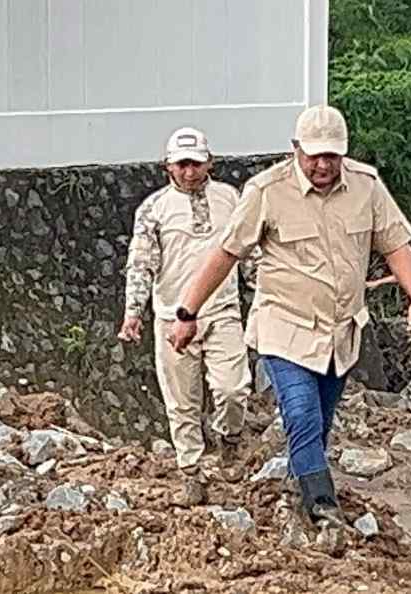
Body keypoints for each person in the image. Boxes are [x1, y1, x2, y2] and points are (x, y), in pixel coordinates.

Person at [168, 105, 411, 526]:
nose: (323, 164)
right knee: (301, 411)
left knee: (320, 420)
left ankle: (298, 489)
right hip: (283, 325)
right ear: (296, 149)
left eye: (332, 155)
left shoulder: (366, 186)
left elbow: (396, 245)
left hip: (340, 330)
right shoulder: (266, 191)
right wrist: (187, 311)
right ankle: (322, 505)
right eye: (314, 155)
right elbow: (226, 253)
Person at [119, 127, 258, 506]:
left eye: (196, 164)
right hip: (171, 318)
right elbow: (141, 264)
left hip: (223, 310)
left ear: (209, 162)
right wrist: (133, 312)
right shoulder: (153, 210)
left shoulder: (231, 198)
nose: (190, 172)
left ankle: (229, 438)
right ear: (167, 167)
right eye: (182, 164)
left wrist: (263, 292)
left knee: (232, 388)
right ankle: (191, 474)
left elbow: (247, 253)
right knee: (181, 403)